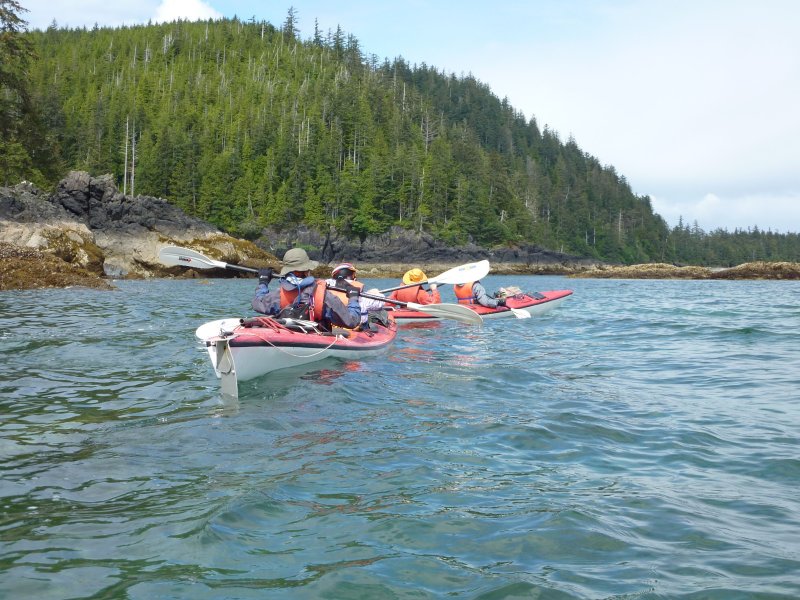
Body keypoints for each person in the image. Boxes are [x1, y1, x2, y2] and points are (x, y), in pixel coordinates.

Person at [251, 248, 361, 330]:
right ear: (306, 271)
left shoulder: (278, 295)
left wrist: (263, 282)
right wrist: (353, 299)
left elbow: (257, 303)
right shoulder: (324, 296)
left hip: (287, 335)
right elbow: (352, 321)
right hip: (315, 340)